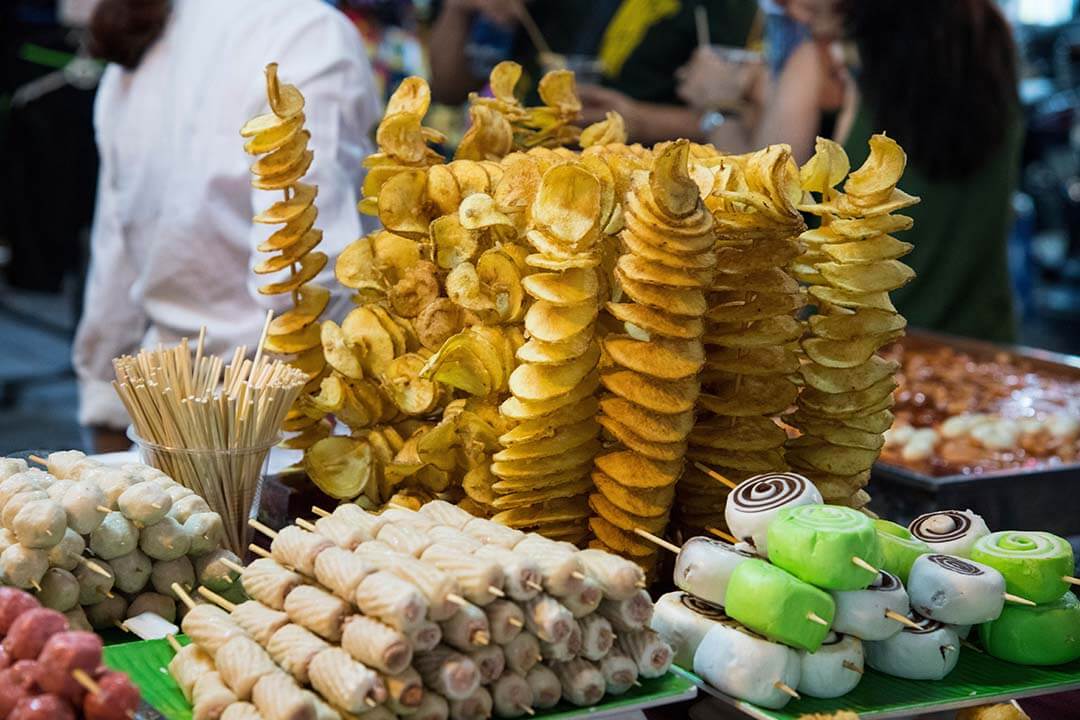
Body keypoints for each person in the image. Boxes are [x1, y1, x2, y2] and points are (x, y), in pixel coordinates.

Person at [74, 0, 381, 452]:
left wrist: (104, 401)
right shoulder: (310, 33)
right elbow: (304, 274)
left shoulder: (147, 32)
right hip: (277, 433)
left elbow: (113, 268)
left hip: (166, 421)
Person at [678, 0, 1022, 343]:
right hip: (983, 349)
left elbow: (756, 202)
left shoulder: (822, 63)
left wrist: (719, 108)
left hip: (850, 363)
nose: (794, 12)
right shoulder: (990, 34)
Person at [427, 0, 760, 145]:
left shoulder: (723, 7)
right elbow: (448, 89)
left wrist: (641, 122)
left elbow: (746, 123)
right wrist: (459, 8)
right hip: (515, 173)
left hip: (638, 197)